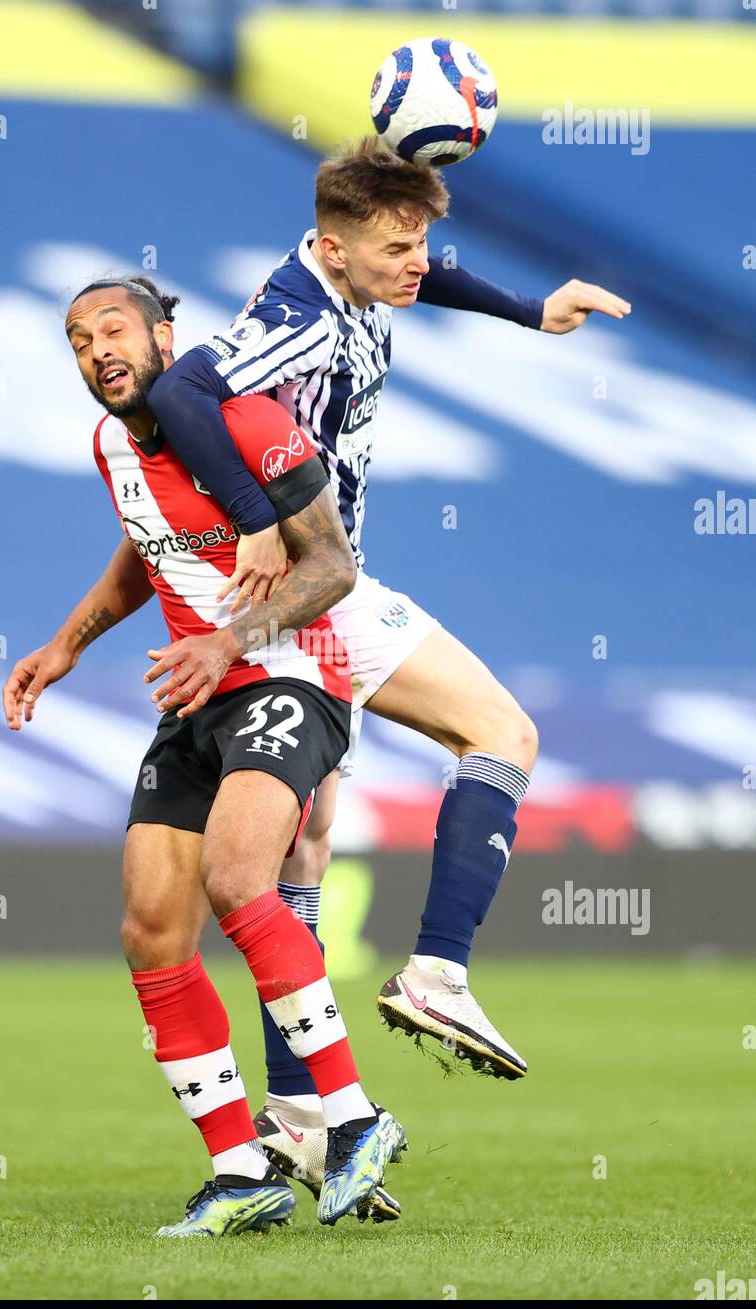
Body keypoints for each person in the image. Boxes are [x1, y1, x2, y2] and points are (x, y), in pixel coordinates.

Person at [144, 138, 631, 1166]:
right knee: (499, 730)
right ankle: (437, 972)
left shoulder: (352, 270)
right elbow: (186, 392)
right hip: (326, 590)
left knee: (301, 853)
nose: (418, 263)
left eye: (423, 244)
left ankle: (299, 1124)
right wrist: (257, 517)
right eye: (401, 247)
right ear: (333, 247)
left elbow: (409, 260)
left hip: (305, 594)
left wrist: (528, 309)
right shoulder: (296, 315)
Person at [3, 276, 405, 1236]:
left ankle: (352, 1122)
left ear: (164, 336)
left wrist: (229, 641)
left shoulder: (245, 417)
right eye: (77, 340)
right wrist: (69, 643)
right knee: (149, 931)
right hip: (198, 696)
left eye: (114, 329)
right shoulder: (110, 444)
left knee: (237, 877)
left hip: (291, 674)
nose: (97, 349)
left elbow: (332, 565)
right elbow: (149, 545)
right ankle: (239, 1170)